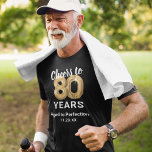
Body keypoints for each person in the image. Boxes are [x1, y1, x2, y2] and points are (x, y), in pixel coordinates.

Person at [18, 0, 149, 152]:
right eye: (49, 20)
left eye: (60, 19)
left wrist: (106, 131)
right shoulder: (43, 64)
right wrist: (38, 144)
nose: (52, 26)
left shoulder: (101, 60)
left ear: (79, 21)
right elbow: (45, 107)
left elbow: (139, 106)